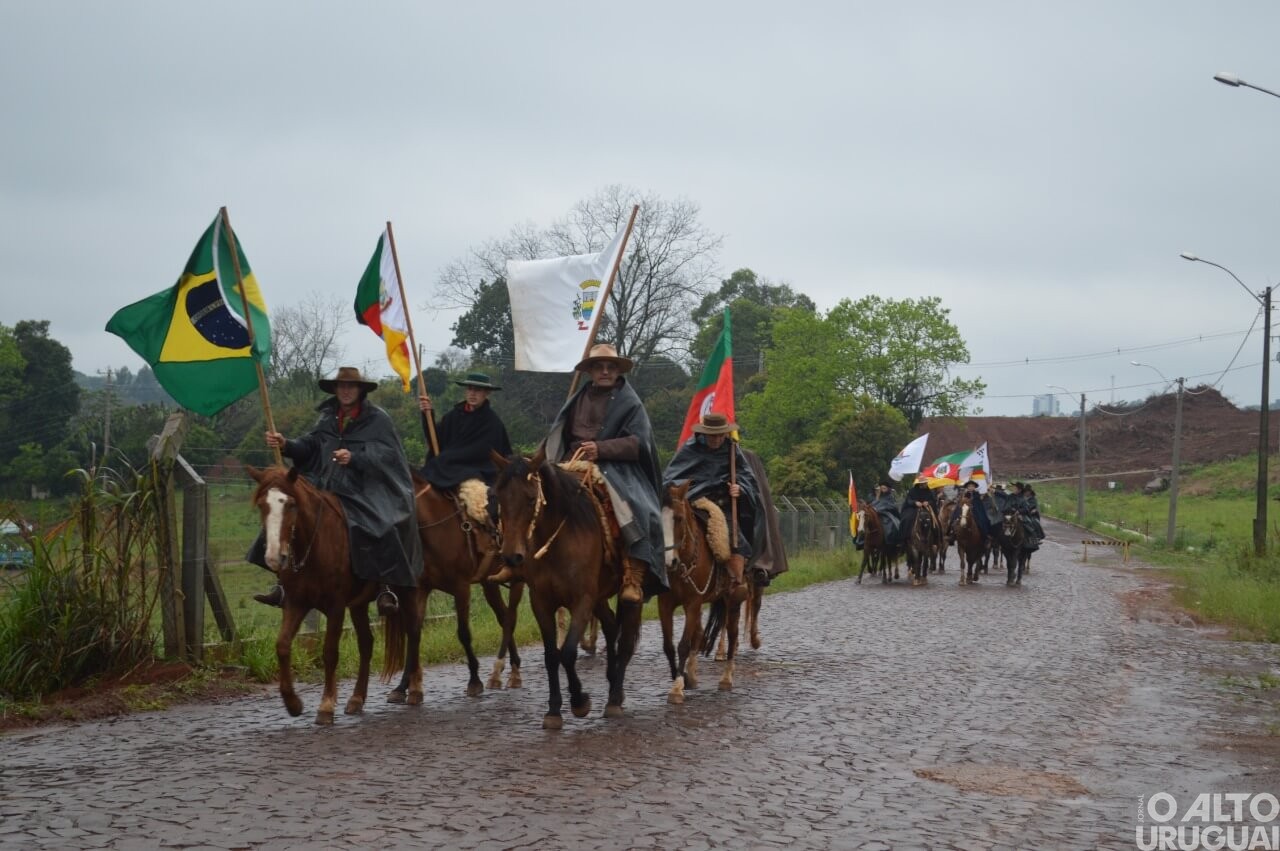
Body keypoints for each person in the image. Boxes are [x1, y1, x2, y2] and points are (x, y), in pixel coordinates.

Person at [249, 367, 423, 616]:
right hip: (327, 484)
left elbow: (389, 455)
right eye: (341, 386)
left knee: (383, 524)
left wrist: (355, 457)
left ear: (360, 390)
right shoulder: (327, 417)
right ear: (335, 389)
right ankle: (283, 584)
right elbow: (310, 445)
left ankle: (386, 587)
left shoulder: (378, 419)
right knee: (284, 517)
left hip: (365, 488)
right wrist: (287, 444)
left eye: (350, 386)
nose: (345, 390)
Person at [539, 343, 666, 605]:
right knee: (533, 496)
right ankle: (523, 562)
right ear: (591, 371)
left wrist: (601, 448)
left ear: (618, 371)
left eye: (610, 367)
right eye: (599, 367)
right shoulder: (577, 398)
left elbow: (640, 443)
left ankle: (633, 573)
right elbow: (560, 434)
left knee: (634, 507)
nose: (605, 371)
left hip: (616, 468)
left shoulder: (631, 403)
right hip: (570, 463)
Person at [663, 412, 764, 602]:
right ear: (704, 433)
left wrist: (739, 488)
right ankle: (654, 575)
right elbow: (671, 478)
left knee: (734, 532)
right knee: (671, 526)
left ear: (725, 434)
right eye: (712, 435)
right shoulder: (690, 449)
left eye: (720, 435)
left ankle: (736, 579)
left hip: (723, 502)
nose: (716, 439)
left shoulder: (732, 449)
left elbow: (748, 478)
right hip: (694, 501)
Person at [417, 372, 513, 490]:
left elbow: (485, 452)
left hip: (476, 471)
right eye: (470, 389)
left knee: (475, 497)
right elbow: (435, 440)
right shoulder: (453, 415)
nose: (472, 394)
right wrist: (428, 414)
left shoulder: (493, 423)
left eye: (477, 390)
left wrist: (449, 457)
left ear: (486, 393)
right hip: (445, 466)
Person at [869, 478, 902, 546]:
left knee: (888, 524)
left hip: (886, 514)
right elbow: (872, 505)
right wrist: (877, 497)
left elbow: (892, 506)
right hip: (875, 513)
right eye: (882, 488)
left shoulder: (890, 496)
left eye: (884, 488)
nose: (882, 489)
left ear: (887, 488)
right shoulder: (875, 496)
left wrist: (882, 508)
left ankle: (890, 539)